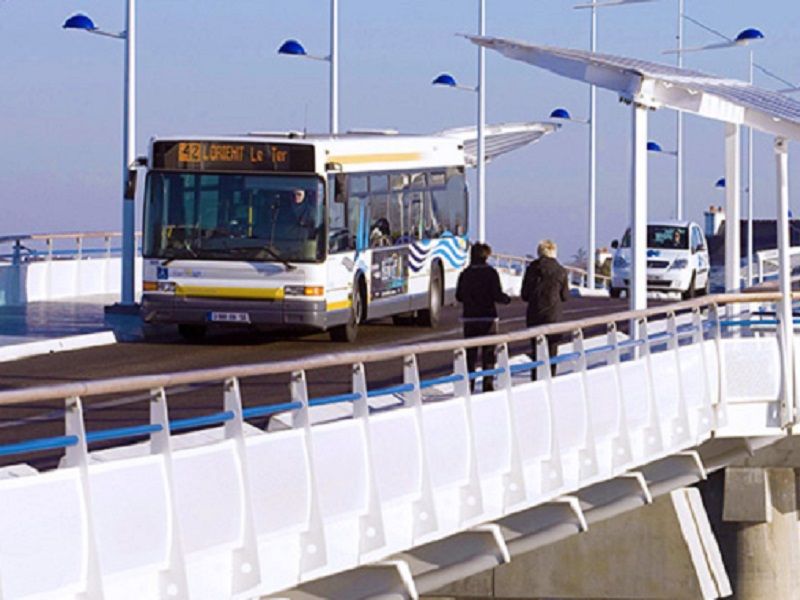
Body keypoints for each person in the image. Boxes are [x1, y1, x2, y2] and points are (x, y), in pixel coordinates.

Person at [456, 243, 511, 392]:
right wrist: (506, 299)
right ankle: (488, 384)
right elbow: (497, 295)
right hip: (488, 318)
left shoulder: (465, 273)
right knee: (488, 354)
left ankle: (469, 385)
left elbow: (459, 296)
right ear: (486, 256)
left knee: (471, 355)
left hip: (469, 319)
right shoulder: (491, 273)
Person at [521, 239, 570, 381]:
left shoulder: (531, 269)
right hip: (554, 316)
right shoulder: (560, 271)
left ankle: (535, 380)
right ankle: (550, 379)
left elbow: (525, 295)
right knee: (552, 352)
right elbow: (565, 296)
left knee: (536, 352)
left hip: (534, 315)